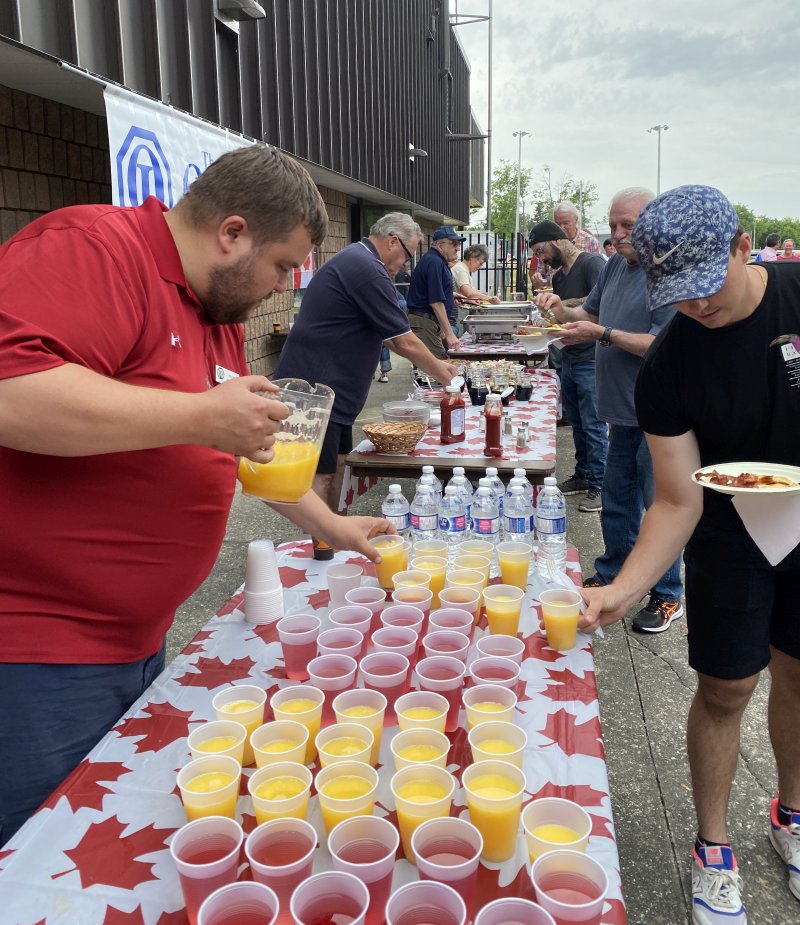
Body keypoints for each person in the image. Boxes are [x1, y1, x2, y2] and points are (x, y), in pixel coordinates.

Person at [0, 144, 396, 846]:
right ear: (232, 233)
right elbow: (9, 390)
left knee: (107, 848)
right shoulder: (96, 250)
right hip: (38, 651)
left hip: (136, 642)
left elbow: (245, 456)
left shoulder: (213, 311)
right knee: (45, 860)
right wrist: (199, 415)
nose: (281, 289)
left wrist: (334, 523)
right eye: (281, 266)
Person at [582, 184, 800, 924]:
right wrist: (624, 585)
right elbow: (677, 498)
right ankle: (713, 846)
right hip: (733, 532)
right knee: (727, 687)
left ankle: (792, 815)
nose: (695, 307)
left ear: (744, 247)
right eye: (676, 296)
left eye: (705, 287)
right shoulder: (671, 365)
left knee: (799, 674)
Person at [536, 188, 683, 632]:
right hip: (620, 408)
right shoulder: (618, 264)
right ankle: (614, 574)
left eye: (629, 227)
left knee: (662, 508)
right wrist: (556, 306)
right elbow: (587, 310)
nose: (617, 235)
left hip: (660, 415)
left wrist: (603, 333)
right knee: (617, 501)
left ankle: (667, 594)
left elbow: (664, 343)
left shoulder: (670, 272)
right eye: (614, 225)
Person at [275, 213, 457, 511]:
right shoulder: (367, 268)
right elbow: (402, 339)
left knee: (339, 466)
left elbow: (388, 333)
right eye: (407, 255)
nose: (406, 264)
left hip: (333, 393)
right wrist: (447, 376)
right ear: (392, 241)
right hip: (316, 390)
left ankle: (332, 536)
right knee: (320, 475)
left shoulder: (359, 260)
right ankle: (323, 547)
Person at [529, 220, 606, 512]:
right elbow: (561, 317)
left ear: (557, 240)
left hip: (592, 358)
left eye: (541, 250)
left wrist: (562, 302)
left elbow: (601, 299)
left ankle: (601, 485)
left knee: (594, 424)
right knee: (576, 423)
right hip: (569, 357)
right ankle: (584, 475)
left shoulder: (592, 264)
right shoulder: (560, 276)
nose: (542, 258)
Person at [406, 226, 466, 359]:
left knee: (432, 370)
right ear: (439, 245)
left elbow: (431, 292)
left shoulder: (436, 260)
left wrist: (450, 296)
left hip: (427, 322)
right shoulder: (434, 262)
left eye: (458, 244)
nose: (457, 248)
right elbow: (436, 301)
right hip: (424, 322)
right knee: (437, 369)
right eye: (453, 244)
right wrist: (449, 333)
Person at [376, 268, 410, 383]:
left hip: (383, 314)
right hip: (395, 318)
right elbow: (403, 304)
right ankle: (384, 372)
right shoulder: (391, 288)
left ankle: (373, 372)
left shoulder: (377, 285)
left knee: (379, 342)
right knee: (384, 341)